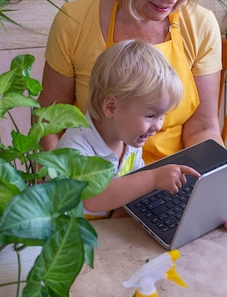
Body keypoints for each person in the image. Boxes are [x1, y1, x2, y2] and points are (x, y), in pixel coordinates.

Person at [39, 0, 224, 165]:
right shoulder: (74, 20)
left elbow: (203, 127)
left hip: (172, 181)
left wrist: (210, 182)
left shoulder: (200, 24)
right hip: (94, 182)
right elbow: (49, 121)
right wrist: (61, 187)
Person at [56, 39, 201, 217]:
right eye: (150, 116)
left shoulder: (129, 140)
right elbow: (92, 198)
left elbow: (127, 193)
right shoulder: (75, 148)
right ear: (111, 107)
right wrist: (153, 178)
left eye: (162, 115)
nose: (158, 126)